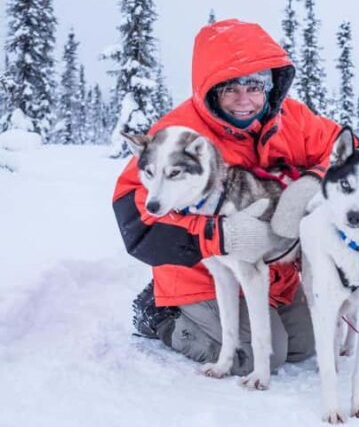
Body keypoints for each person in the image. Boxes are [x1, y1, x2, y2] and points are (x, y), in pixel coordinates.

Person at [114, 19, 342, 375]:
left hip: (270, 270)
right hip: (201, 273)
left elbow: (348, 153)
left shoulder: (292, 119)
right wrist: (215, 234)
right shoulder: (176, 136)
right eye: (230, 88)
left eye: (255, 85)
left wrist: (310, 186)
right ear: (211, 90)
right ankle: (164, 316)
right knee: (254, 357)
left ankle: (260, 310)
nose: (244, 99)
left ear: (271, 85)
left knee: (307, 343)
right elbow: (136, 217)